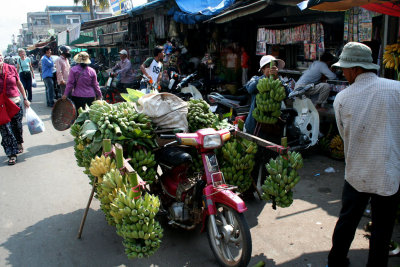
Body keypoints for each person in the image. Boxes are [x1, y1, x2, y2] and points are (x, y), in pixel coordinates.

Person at [327, 42, 400, 267]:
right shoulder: (397, 89)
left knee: (347, 221)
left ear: (356, 69)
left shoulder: (342, 98)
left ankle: (337, 262)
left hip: (357, 173)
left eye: (345, 69)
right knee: (382, 228)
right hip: (389, 173)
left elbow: (343, 133)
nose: (343, 73)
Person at [0, 51, 30, 165]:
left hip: (15, 103)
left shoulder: (11, 68)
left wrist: (25, 98)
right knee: (6, 130)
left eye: (0, 55)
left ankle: (18, 142)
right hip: (2, 106)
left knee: (17, 127)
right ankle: (11, 153)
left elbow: (19, 84)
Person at [244, 55, 285, 134]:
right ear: (262, 69)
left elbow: (288, 94)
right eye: (268, 67)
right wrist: (265, 77)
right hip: (256, 124)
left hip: (273, 123)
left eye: (275, 67)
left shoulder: (279, 81)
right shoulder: (256, 79)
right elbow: (250, 88)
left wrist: (277, 78)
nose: (272, 69)